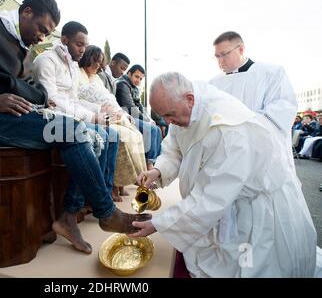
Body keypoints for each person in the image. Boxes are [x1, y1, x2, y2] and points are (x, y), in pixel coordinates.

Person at [0, 0, 150, 255]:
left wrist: (44, 100)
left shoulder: (24, 50)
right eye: (41, 29)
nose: (41, 37)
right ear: (26, 12)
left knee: (96, 136)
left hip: (23, 117)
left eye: (47, 33)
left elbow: (33, 90)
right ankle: (106, 213)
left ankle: (68, 216)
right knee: (74, 130)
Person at [130, 72, 317, 277]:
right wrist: (157, 171)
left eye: (169, 115)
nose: (168, 122)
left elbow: (210, 198)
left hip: (253, 209)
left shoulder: (229, 130)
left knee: (250, 264)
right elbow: (175, 149)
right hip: (223, 202)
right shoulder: (184, 105)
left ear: (190, 99)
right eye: (163, 116)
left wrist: (159, 224)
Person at [33, 21, 120, 208]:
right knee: (103, 135)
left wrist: (97, 112)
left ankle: (100, 193)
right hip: (53, 119)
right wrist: (91, 117)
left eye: (85, 46)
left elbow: (74, 100)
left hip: (72, 117)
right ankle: (78, 204)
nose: (83, 50)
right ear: (64, 40)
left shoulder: (71, 66)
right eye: (79, 44)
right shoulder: (46, 60)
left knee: (113, 135)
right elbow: (52, 101)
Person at [209, 31, 298, 167]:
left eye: (225, 54)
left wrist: (239, 129)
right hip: (225, 155)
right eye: (217, 56)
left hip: (263, 155)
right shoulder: (213, 84)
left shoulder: (271, 73)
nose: (220, 60)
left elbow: (282, 110)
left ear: (241, 49)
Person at [77, 45, 146, 200]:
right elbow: (76, 101)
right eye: (93, 60)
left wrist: (119, 112)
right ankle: (113, 186)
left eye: (99, 62)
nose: (96, 65)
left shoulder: (96, 78)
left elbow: (110, 98)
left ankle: (137, 177)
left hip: (107, 115)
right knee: (119, 136)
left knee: (136, 135)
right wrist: (100, 110)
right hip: (92, 116)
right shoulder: (77, 74)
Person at [115, 64, 162, 170]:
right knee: (150, 129)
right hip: (125, 117)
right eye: (136, 77)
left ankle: (155, 163)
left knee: (157, 129)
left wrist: (149, 119)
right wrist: (147, 121)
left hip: (133, 117)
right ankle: (148, 165)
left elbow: (140, 106)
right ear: (129, 74)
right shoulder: (123, 84)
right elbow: (131, 108)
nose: (138, 80)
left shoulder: (134, 88)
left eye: (141, 78)